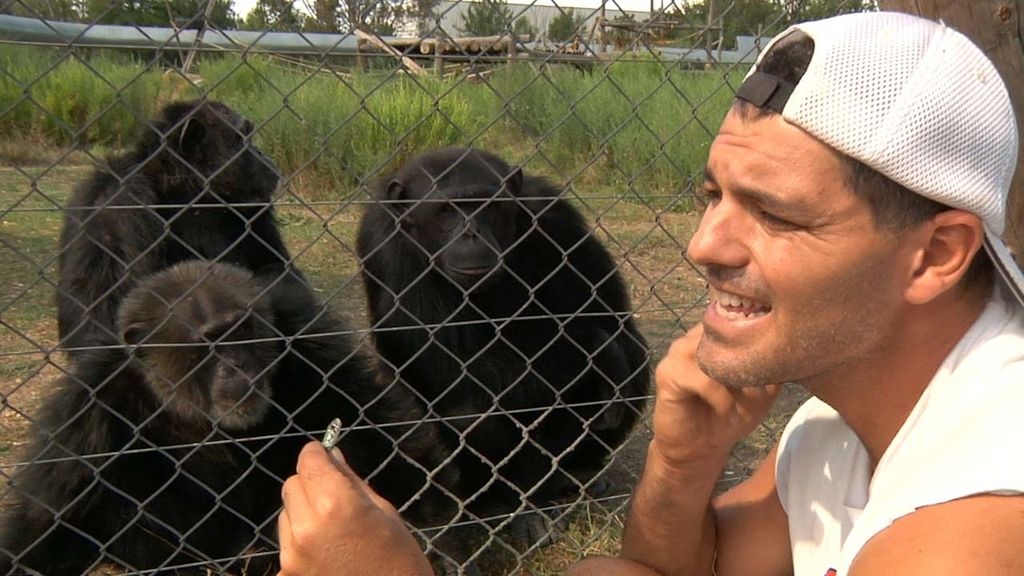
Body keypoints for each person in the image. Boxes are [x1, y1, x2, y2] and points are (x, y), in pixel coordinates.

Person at [277, 11, 1024, 576]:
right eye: (714, 196)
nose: (703, 245)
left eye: (775, 213)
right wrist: (681, 458)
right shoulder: (837, 425)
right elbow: (664, 571)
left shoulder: (982, 511)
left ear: (935, 255)